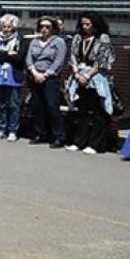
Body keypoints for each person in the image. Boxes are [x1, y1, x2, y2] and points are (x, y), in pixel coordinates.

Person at [66, 11, 115, 154]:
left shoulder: (103, 38)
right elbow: (73, 57)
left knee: (97, 111)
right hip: (79, 76)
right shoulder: (78, 38)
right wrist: (76, 74)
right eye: (82, 24)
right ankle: (79, 141)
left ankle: (95, 144)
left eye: (88, 24)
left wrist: (87, 76)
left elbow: (102, 61)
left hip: (96, 78)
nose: (84, 27)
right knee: (82, 111)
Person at [26, 16, 67, 148]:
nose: (44, 29)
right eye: (42, 26)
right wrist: (34, 72)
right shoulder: (34, 41)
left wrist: (46, 74)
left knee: (52, 106)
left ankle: (59, 136)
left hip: (50, 78)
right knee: (37, 106)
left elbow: (59, 60)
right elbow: (29, 59)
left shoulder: (59, 42)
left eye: (47, 27)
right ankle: (40, 133)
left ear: (53, 28)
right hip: (35, 76)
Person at [0, 14, 25, 141]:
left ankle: (13, 130)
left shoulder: (20, 39)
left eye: (9, 27)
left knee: (13, 104)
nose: (6, 29)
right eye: (4, 27)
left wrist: (0, 55)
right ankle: (1, 129)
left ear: (14, 27)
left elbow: (19, 57)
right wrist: (8, 53)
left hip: (13, 77)